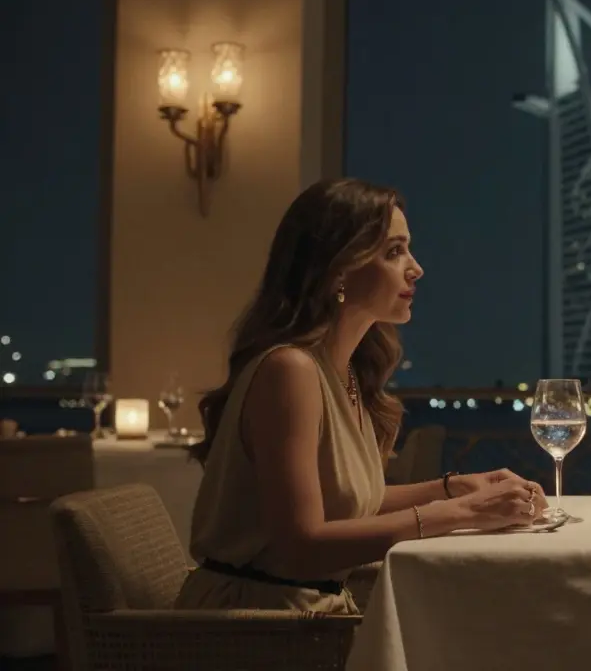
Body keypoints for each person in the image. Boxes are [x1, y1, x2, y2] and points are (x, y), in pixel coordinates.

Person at [175, 178, 548, 614]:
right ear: (338, 269)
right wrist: (464, 512)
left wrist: (453, 488)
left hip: (309, 610)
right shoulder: (289, 370)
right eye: (394, 251)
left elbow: (347, 503)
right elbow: (301, 546)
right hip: (255, 627)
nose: (416, 268)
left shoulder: (344, 373)